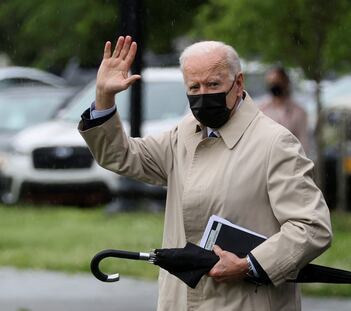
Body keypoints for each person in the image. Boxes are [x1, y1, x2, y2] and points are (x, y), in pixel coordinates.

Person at [79, 36, 332, 311]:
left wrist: (250, 264)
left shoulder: (275, 143)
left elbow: (311, 227)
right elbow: (121, 156)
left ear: (238, 83)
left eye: (213, 84)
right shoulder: (183, 134)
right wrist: (104, 97)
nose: (203, 94)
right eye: (194, 86)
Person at [259, 66, 309, 154]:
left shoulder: (299, 112)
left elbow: (304, 144)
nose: (274, 86)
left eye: (277, 82)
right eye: (270, 83)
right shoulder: (261, 110)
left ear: (285, 83)